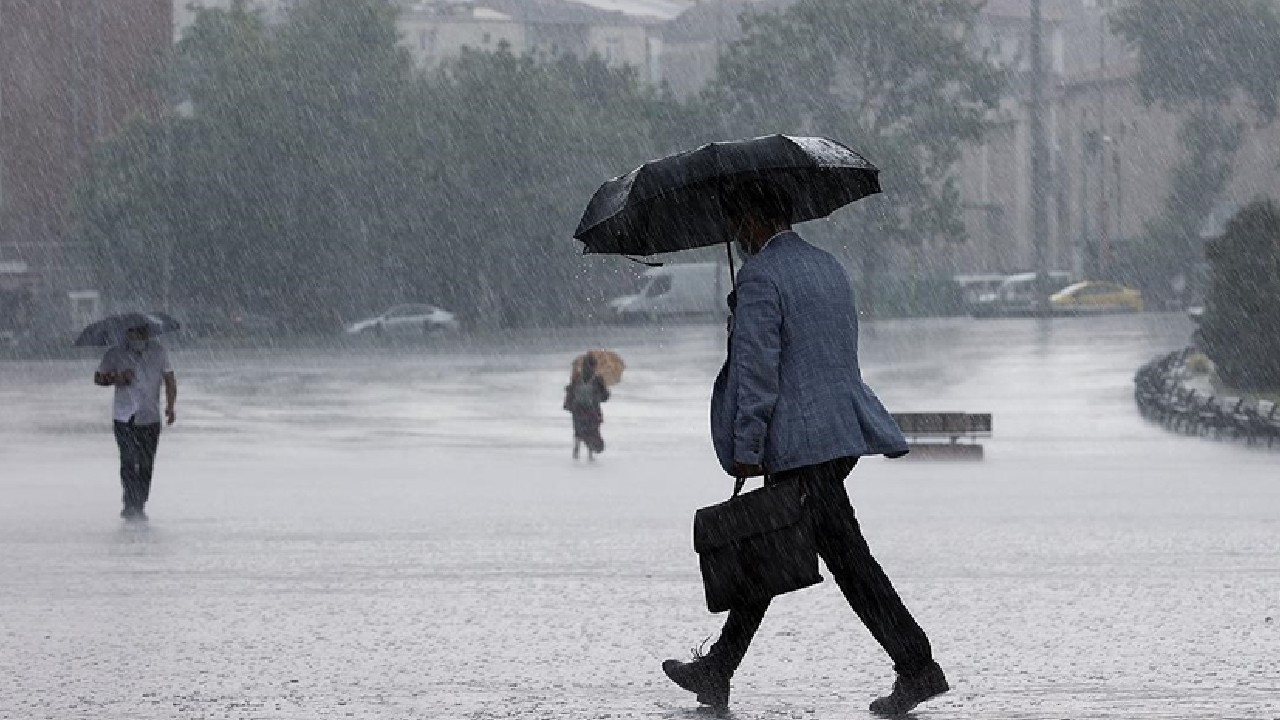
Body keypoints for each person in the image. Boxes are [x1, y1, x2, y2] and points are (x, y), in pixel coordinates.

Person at [661, 181, 947, 716]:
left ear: (753, 218)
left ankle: (917, 666)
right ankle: (718, 668)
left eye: (737, 221)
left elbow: (758, 373)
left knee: (844, 560)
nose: (735, 234)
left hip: (798, 445)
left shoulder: (761, 277)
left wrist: (748, 446)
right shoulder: (828, 267)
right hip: (836, 435)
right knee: (773, 546)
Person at [94, 323, 177, 520]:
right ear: (127, 332)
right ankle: (130, 502)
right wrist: (117, 377)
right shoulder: (115, 353)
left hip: (150, 416)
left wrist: (171, 406)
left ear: (148, 333)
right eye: (134, 332)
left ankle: (140, 501)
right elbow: (98, 378)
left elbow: (170, 379)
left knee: (146, 463)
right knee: (129, 461)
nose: (138, 336)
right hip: (124, 416)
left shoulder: (159, 352)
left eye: (142, 332)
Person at [564, 353, 609, 460]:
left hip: (580, 410)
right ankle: (588, 454)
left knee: (580, 431)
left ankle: (578, 452)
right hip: (590, 410)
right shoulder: (596, 379)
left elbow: (570, 392)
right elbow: (605, 397)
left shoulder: (578, 377)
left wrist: (569, 404)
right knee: (590, 431)